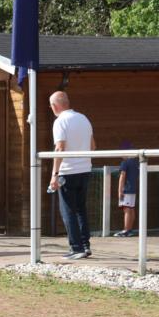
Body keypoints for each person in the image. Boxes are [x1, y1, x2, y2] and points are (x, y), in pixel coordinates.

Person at [48, 91, 96, 260]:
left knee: (68, 210)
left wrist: (54, 174)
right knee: (81, 209)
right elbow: (92, 146)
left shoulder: (60, 121)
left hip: (68, 171)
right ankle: (85, 245)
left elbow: (60, 148)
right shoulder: (84, 118)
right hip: (85, 169)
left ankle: (76, 248)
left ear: (55, 106)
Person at [114, 143, 138, 237]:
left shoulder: (125, 163)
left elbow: (122, 176)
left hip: (126, 189)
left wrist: (120, 191)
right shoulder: (136, 162)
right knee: (131, 209)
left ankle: (126, 230)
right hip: (133, 189)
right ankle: (130, 229)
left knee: (127, 209)